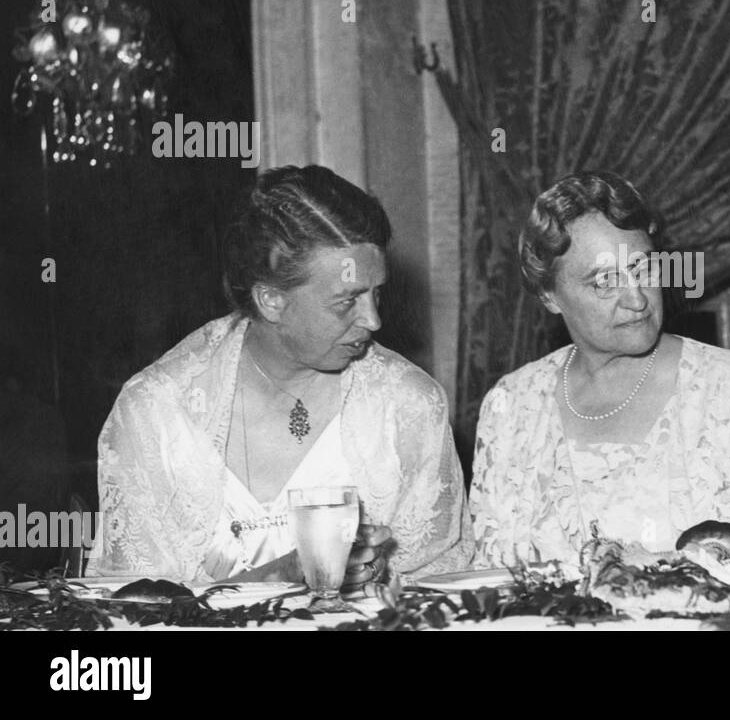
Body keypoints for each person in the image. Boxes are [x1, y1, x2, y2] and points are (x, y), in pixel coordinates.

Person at [88, 165, 472, 588]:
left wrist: (383, 580)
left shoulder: (408, 405)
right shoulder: (158, 413)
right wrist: (284, 576)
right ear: (271, 300)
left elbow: (445, 588)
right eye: (347, 301)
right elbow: (130, 612)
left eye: (377, 292)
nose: (374, 320)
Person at [469, 171, 730, 567]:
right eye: (605, 281)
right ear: (549, 295)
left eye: (644, 268)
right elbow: (489, 576)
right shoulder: (510, 405)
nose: (637, 299)